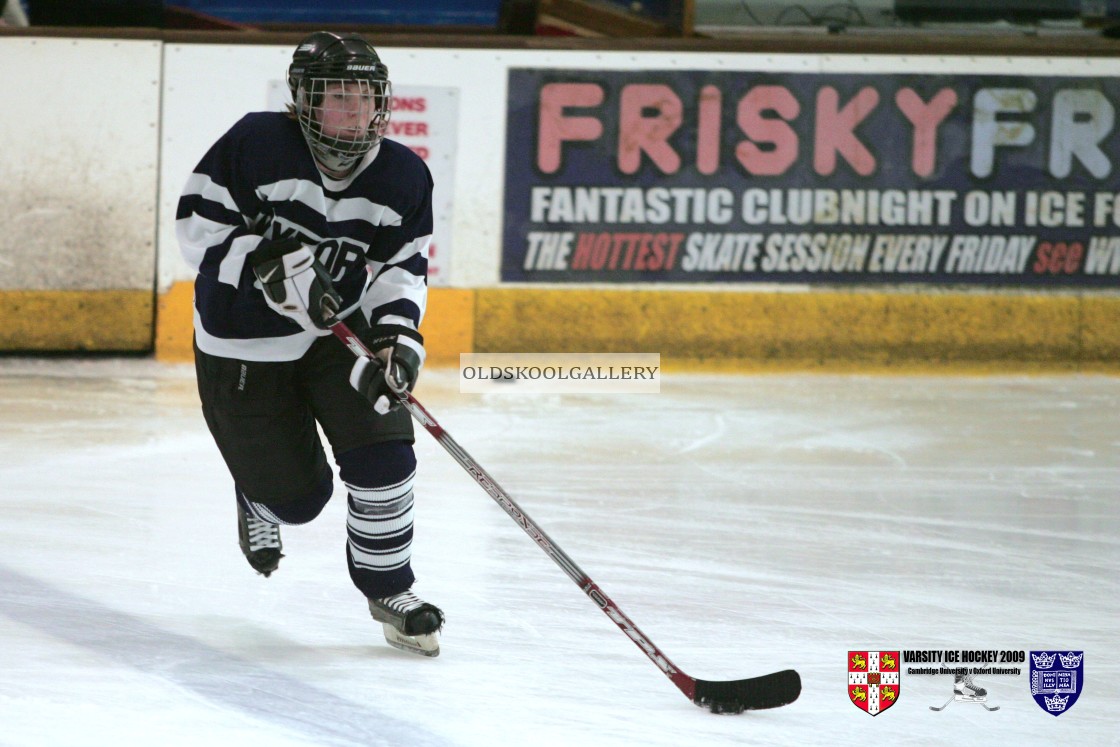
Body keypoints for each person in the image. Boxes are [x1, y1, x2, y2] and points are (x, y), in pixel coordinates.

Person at [176, 31, 443, 656]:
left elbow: (403, 268)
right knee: (300, 501)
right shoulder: (256, 144)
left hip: (337, 332)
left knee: (386, 453)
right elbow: (196, 226)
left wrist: (399, 337)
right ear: (303, 101)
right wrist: (262, 261)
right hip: (243, 342)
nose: (353, 113)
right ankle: (259, 492)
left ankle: (389, 589)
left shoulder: (403, 174)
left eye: (365, 97)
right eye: (336, 98)